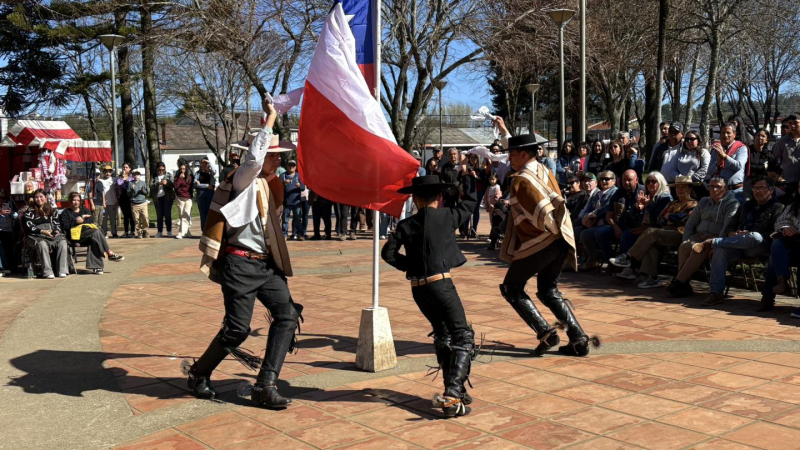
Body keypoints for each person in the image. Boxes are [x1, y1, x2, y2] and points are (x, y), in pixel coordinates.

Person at [191, 100, 302, 409]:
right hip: (239, 264)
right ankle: (199, 372)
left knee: (288, 315)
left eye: (279, 156)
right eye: (273, 155)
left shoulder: (272, 185)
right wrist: (271, 118)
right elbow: (252, 161)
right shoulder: (242, 179)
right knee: (237, 330)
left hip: (266, 267)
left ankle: (265, 385)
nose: (278, 160)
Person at [381, 171, 478, 418]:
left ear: (415, 199)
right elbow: (470, 203)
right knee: (463, 336)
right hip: (441, 284)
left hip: (418, 288)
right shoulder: (448, 216)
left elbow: (388, 254)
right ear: (439, 197)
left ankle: (454, 388)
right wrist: (468, 179)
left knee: (443, 334)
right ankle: (453, 393)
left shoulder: (405, 225)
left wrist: (412, 267)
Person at [496, 133, 598, 356]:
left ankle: (546, 333)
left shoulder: (522, 179)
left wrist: (547, 230)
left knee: (511, 288)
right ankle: (579, 339)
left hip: (542, 241)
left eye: (512, 153)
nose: (509, 158)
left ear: (524, 154)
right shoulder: (545, 170)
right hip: (560, 237)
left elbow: (541, 210)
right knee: (548, 290)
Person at [694, 177, 783, 306]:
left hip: (759, 246)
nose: (757, 191)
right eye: (755, 188)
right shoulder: (746, 205)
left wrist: (748, 235)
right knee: (720, 251)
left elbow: (775, 233)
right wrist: (733, 234)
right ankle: (716, 293)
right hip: (738, 245)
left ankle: (713, 242)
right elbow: (730, 226)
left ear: (771, 190)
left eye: (761, 188)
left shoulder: (778, 207)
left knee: (755, 236)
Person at [610, 176, 698, 288]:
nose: (680, 190)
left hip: (682, 233)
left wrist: (670, 217)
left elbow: (684, 219)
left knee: (651, 232)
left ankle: (628, 257)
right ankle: (651, 277)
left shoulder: (694, 204)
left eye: (683, 187)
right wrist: (670, 218)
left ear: (690, 189)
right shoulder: (672, 203)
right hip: (666, 231)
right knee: (650, 244)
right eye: (678, 187)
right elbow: (660, 219)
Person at [668, 177, 740, 298]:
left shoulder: (732, 204)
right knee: (684, 247)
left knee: (698, 250)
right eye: (711, 186)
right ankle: (683, 284)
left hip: (714, 238)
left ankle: (678, 282)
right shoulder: (704, 202)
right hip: (699, 235)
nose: (714, 189)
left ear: (726, 189)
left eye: (718, 186)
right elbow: (691, 223)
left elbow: (727, 227)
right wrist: (686, 239)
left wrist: (715, 243)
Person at [610, 171, 673, 280]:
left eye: (654, 181)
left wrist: (648, 205)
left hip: (658, 230)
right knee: (627, 234)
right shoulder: (646, 195)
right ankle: (631, 269)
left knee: (638, 239)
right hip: (644, 228)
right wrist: (637, 207)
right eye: (648, 182)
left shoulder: (664, 197)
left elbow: (659, 219)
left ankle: (629, 262)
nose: (650, 184)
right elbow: (632, 217)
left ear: (660, 183)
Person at [582, 170, 645, 269]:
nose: (626, 182)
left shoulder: (643, 191)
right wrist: (616, 228)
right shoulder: (619, 192)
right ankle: (612, 261)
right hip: (619, 225)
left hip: (636, 226)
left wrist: (642, 206)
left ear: (636, 180)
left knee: (625, 236)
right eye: (624, 180)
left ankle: (627, 266)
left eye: (629, 180)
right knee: (600, 233)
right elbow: (609, 215)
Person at [59, 192, 124, 275]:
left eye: (78, 200)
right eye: (74, 200)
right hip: (75, 236)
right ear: (70, 201)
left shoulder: (84, 210)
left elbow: (91, 221)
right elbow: (65, 226)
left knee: (95, 237)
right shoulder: (66, 212)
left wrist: (83, 221)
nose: (76, 202)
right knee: (97, 232)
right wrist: (76, 222)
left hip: (88, 233)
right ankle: (109, 252)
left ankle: (97, 267)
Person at [760, 182, 800, 312]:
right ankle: (782, 281)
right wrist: (785, 228)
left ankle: (768, 297)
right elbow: (781, 221)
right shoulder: (794, 205)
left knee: (774, 259)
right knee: (777, 245)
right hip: (793, 245)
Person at [576, 171, 618, 269]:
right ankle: (587, 259)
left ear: (614, 181)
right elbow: (588, 209)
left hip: (608, 224)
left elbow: (607, 208)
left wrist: (592, 215)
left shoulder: (615, 192)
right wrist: (586, 218)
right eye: (602, 179)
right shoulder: (597, 194)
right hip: (594, 224)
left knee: (588, 234)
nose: (604, 181)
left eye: (607, 179)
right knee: (575, 231)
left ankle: (610, 261)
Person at [22, 189, 69, 279]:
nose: (39, 199)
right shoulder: (30, 211)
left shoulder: (52, 211)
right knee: (42, 244)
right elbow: (29, 227)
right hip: (34, 236)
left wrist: (56, 231)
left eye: (41, 197)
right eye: (36, 197)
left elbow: (57, 225)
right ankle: (47, 272)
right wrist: (42, 231)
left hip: (50, 235)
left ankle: (62, 270)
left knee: (62, 242)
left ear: (46, 198)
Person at [707, 122, 748, 202]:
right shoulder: (716, 149)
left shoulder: (741, 148)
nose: (725, 135)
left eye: (728, 133)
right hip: (718, 192)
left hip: (735, 191)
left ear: (734, 134)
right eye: (723, 133)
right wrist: (717, 164)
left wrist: (725, 157)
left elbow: (739, 166)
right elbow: (710, 171)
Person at [772, 113, 800, 192]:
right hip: (787, 183)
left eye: (795, 123)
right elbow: (775, 162)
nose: (792, 126)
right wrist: (778, 178)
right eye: (790, 123)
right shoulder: (782, 142)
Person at [280, 160, 305, 240]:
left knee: (298, 219)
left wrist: (299, 186)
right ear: (287, 166)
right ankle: (284, 235)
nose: (291, 167)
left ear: (295, 167)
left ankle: (300, 234)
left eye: (293, 165)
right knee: (285, 220)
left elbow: (303, 188)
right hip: (286, 202)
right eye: (290, 165)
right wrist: (284, 183)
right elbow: (278, 187)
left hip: (296, 202)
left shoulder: (299, 175)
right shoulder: (283, 175)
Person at [150, 162, 175, 238]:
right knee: (159, 215)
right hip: (157, 198)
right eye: (159, 170)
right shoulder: (154, 176)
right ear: (157, 169)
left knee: (167, 215)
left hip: (167, 197)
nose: (161, 171)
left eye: (163, 170)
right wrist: (157, 184)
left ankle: (169, 231)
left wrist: (166, 183)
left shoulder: (169, 175)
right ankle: (159, 232)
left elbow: (173, 184)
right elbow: (150, 186)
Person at [195, 158, 216, 232]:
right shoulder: (197, 173)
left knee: (210, 212)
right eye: (203, 163)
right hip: (201, 194)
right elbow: (195, 184)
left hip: (210, 193)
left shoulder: (210, 173)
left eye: (205, 163)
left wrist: (209, 162)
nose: (204, 165)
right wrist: (207, 186)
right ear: (200, 164)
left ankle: (210, 230)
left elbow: (215, 171)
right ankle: (203, 230)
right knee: (202, 212)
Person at [174, 162, 194, 239]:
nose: (182, 170)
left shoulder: (190, 176)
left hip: (188, 198)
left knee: (186, 213)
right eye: (181, 169)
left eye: (184, 169)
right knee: (181, 215)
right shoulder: (177, 177)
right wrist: (180, 178)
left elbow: (190, 185)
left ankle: (181, 233)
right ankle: (187, 231)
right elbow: (175, 186)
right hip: (180, 197)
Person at [97, 165, 118, 238]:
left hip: (113, 202)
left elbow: (117, 191)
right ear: (103, 172)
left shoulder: (114, 180)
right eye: (106, 172)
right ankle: (104, 232)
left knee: (113, 219)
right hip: (104, 203)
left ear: (111, 173)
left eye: (109, 172)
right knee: (104, 220)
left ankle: (114, 232)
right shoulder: (100, 181)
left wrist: (117, 201)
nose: (108, 173)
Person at [0, 189, 18, 276]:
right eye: (0, 198)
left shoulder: (9, 204)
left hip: (9, 230)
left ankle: (10, 266)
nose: (1, 200)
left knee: (11, 247)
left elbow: (17, 216)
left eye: (3, 198)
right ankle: (3, 266)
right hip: (0, 230)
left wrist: (11, 213)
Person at [115, 163, 136, 238]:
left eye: (126, 167)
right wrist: (123, 177)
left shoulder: (132, 178)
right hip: (122, 199)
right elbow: (118, 186)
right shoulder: (119, 178)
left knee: (131, 215)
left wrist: (125, 180)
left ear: (129, 168)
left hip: (130, 199)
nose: (124, 168)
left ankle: (132, 231)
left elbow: (129, 187)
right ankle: (126, 232)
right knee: (125, 216)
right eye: (123, 167)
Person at [128, 170, 150, 239]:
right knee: (136, 219)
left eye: (137, 175)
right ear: (132, 176)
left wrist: (143, 191)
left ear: (140, 176)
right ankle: (139, 232)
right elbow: (128, 194)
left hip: (143, 203)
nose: (136, 176)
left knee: (145, 217)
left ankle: (145, 230)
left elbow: (146, 193)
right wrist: (132, 190)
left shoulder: (143, 182)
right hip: (134, 204)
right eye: (134, 175)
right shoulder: (130, 183)